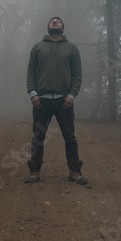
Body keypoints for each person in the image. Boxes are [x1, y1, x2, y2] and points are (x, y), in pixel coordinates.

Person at [25, 16, 87, 185]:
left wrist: (72, 95)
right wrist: (33, 93)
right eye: (52, 21)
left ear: (63, 29)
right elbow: (31, 73)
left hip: (64, 100)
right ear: (48, 27)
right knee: (38, 137)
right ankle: (34, 172)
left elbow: (77, 75)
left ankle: (74, 172)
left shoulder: (72, 48)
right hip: (41, 100)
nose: (54, 22)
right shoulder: (37, 47)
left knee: (70, 137)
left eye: (58, 21)